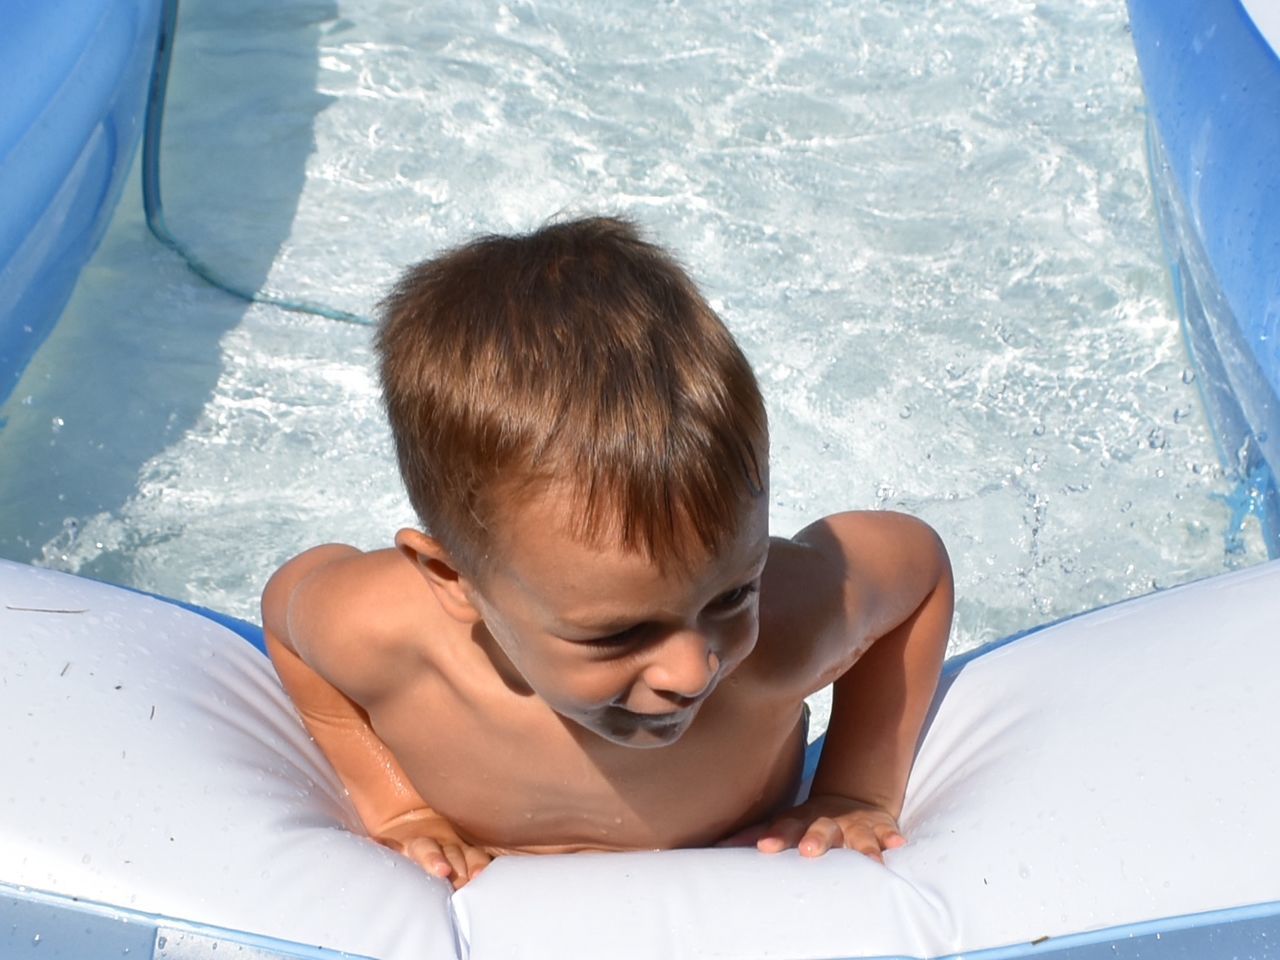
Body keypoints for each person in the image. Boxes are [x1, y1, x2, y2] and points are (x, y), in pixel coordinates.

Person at [262, 215, 953, 890]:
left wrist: (855, 789)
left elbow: (916, 568)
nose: (692, 669)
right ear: (451, 577)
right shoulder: (387, 633)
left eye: (732, 593)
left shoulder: (786, 631)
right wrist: (395, 804)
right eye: (620, 632)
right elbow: (286, 611)